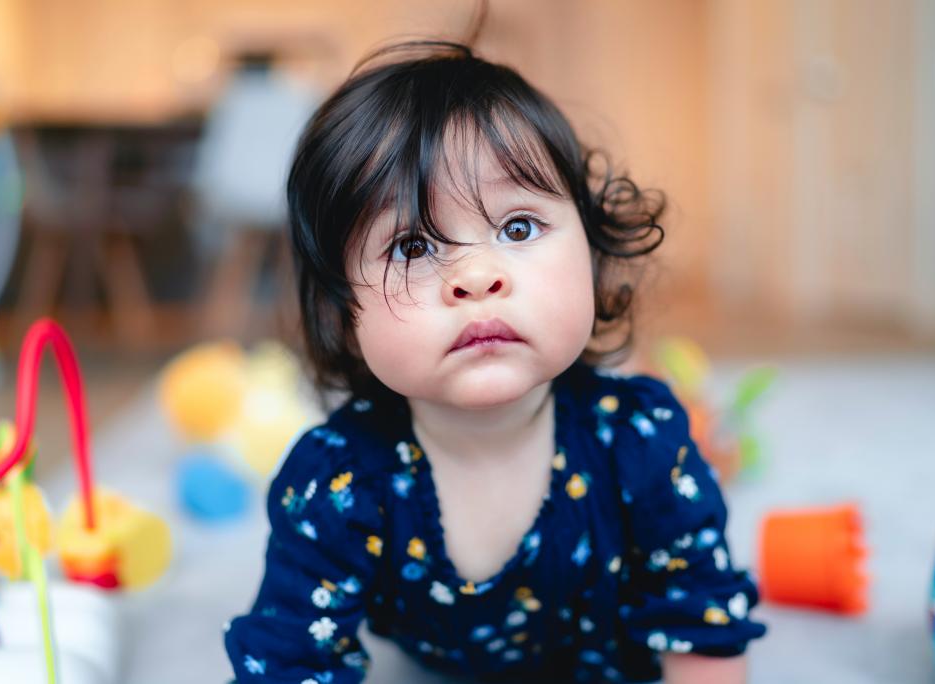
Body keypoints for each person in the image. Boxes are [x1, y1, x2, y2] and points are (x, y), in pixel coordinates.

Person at [225, 40, 766, 684]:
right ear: (343, 314)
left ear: (592, 259)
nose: (476, 276)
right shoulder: (340, 483)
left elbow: (701, 616)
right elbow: (289, 659)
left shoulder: (638, 438)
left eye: (517, 228)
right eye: (412, 244)